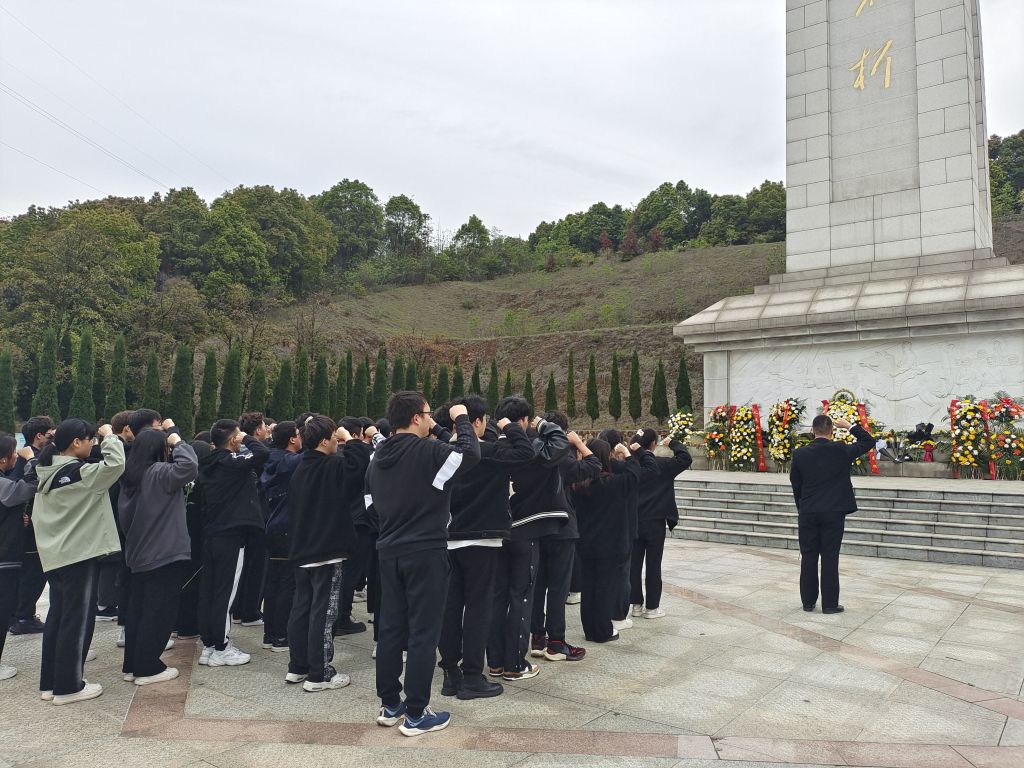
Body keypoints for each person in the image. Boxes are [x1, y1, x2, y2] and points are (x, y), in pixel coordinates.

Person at [366, 391, 480, 737]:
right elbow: (470, 454)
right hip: (425, 550)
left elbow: (369, 505)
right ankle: (416, 713)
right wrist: (460, 418)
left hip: (389, 550)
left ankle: (390, 704)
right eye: (428, 415)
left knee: (391, 629)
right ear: (416, 417)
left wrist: (393, 527)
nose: (431, 420)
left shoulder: (377, 457)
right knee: (423, 632)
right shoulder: (428, 453)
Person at [438, 394, 534, 700]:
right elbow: (526, 453)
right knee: (479, 608)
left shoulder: (442, 451)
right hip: (482, 539)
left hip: (449, 538)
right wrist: (509, 425)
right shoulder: (489, 451)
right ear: (477, 422)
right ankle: (472, 676)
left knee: (450, 607)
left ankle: (450, 673)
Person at [32, 419, 125, 704]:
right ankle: (69, 687)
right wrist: (109, 436)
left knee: (58, 618)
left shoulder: (47, 471)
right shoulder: (81, 472)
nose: (92, 444)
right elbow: (116, 465)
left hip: (56, 555)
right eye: (90, 440)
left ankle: (50, 684)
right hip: (79, 554)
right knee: (77, 620)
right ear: (76, 442)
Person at [285, 416, 371, 692]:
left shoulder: (302, 467)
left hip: (302, 549)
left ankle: (298, 666)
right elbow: (361, 463)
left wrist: (343, 437)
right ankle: (319, 673)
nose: (337, 441)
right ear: (324, 441)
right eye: (334, 437)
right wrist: (351, 438)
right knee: (324, 612)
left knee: (302, 608)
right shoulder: (331, 466)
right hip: (326, 550)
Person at [488, 399, 569, 681]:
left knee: (498, 596)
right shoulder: (533, 448)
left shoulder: (490, 447)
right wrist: (545, 424)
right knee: (520, 596)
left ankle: (495, 661)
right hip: (527, 529)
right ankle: (514, 664)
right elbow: (560, 445)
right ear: (522, 421)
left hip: (497, 530)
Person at [118, 422, 198, 685]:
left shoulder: (129, 476)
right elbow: (190, 466)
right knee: (159, 611)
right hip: (164, 552)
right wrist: (177, 440)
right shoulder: (159, 472)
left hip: (139, 553)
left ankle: (133, 664)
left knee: (139, 610)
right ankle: (148, 667)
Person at [197, 419, 269, 667]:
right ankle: (221, 646)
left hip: (212, 533)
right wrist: (247, 437)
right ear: (232, 439)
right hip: (231, 534)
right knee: (225, 592)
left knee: (210, 590)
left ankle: (209, 643)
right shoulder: (230, 462)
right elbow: (262, 453)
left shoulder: (209, 462)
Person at [529, 411, 599, 663]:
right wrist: (578, 443)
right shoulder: (563, 458)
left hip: (536, 526)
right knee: (558, 588)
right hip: (562, 528)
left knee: (537, 585)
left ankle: (537, 638)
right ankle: (556, 642)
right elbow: (594, 466)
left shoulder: (531, 453)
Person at [790, 415, 875, 614]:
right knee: (830, 557)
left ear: (813, 431)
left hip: (809, 510)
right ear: (832, 431)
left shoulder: (800, 454)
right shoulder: (841, 450)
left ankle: (808, 602)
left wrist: (802, 507)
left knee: (808, 556)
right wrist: (850, 426)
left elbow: (796, 484)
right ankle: (829, 604)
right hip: (834, 511)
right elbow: (868, 441)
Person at [572, 439, 650, 643]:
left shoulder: (578, 484)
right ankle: (602, 631)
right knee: (605, 588)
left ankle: (590, 630)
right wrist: (628, 453)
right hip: (609, 545)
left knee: (589, 587)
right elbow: (635, 474)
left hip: (585, 543)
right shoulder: (612, 483)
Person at [630, 428, 692, 619]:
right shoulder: (663, 464)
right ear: (653, 444)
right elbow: (685, 458)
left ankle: (636, 605)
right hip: (655, 521)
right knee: (653, 565)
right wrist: (673, 443)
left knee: (634, 565)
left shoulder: (630, 464)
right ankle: (652, 607)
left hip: (633, 521)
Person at [259, 421, 303, 652]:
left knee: (274, 581)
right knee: (287, 582)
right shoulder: (291, 461)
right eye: (299, 434)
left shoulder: (270, 457)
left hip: (272, 523)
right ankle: (281, 635)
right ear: (292, 440)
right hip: (287, 524)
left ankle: (270, 633)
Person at [9, 416, 54, 637]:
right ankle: (23, 617)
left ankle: (22, 614)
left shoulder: (30, 456)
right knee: (33, 573)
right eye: (50, 434)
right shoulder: (28, 458)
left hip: (32, 524)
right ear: (39, 436)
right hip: (30, 527)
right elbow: (22, 487)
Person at [0, 433, 38, 681]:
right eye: (14, 452)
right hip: (4, 559)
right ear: (3, 459)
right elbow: (30, 486)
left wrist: (15, 518)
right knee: (3, 611)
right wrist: (31, 458)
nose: (17, 455)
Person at [230, 412, 271, 627]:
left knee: (244, 564)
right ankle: (250, 612)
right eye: (264, 426)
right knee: (257, 564)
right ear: (257, 431)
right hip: (257, 512)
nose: (267, 429)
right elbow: (264, 454)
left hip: (242, 513)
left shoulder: (237, 451)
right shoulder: (256, 451)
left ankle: (239, 609)